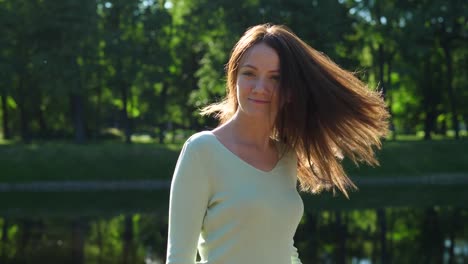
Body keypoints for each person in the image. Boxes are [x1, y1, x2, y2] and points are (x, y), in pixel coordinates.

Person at [166, 23, 389, 264]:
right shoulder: (202, 151)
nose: (260, 88)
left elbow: (284, 247)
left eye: (275, 78)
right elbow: (179, 258)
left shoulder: (286, 156)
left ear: (290, 91)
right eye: (249, 74)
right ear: (234, 78)